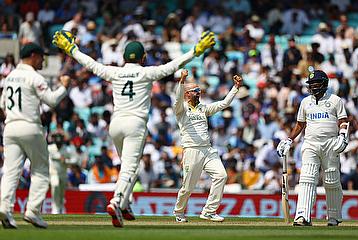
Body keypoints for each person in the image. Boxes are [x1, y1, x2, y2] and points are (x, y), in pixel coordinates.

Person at [52, 30, 215, 227]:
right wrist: (195, 51)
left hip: (116, 125)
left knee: (130, 168)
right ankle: (116, 201)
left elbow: (91, 64)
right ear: (143, 57)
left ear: (123, 57)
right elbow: (173, 66)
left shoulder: (115, 72)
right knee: (129, 168)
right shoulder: (146, 72)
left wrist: (72, 49)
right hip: (135, 125)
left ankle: (126, 205)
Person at [0, 43, 71, 229]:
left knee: (10, 171)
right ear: (33, 56)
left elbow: (2, 106)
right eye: (41, 57)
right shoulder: (34, 76)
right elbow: (52, 101)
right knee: (40, 170)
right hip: (30, 127)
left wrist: (15, 117)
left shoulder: (9, 77)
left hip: (10, 128)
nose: (43, 60)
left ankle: (4, 208)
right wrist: (64, 87)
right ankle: (32, 211)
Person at [277, 69, 349, 226]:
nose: (314, 86)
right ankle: (302, 215)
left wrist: (343, 135)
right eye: (311, 84)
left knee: (331, 180)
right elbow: (300, 124)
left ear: (324, 84)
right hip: (310, 143)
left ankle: (334, 217)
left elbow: (343, 120)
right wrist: (289, 139)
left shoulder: (335, 100)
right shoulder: (305, 102)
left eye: (316, 83)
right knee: (307, 178)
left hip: (331, 143)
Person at [173, 69, 242, 222]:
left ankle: (209, 211)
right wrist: (182, 81)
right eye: (195, 91)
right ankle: (178, 212)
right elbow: (177, 100)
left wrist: (235, 88)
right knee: (188, 187)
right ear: (187, 94)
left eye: (199, 90)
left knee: (221, 176)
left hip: (208, 150)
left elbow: (223, 104)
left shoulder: (203, 109)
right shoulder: (181, 109)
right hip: (192, 150)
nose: (198, 93)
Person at [48, 132, 76, 214]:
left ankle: (61, 207)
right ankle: (55, 208)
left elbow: (74, 159)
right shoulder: (50, 148)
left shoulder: (67, 149)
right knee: (55, 185)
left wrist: (66, 161)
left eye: (60, 143)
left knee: (62, 192)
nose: (58, 145)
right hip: (53, 173)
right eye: (57, 143)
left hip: (63, 173)